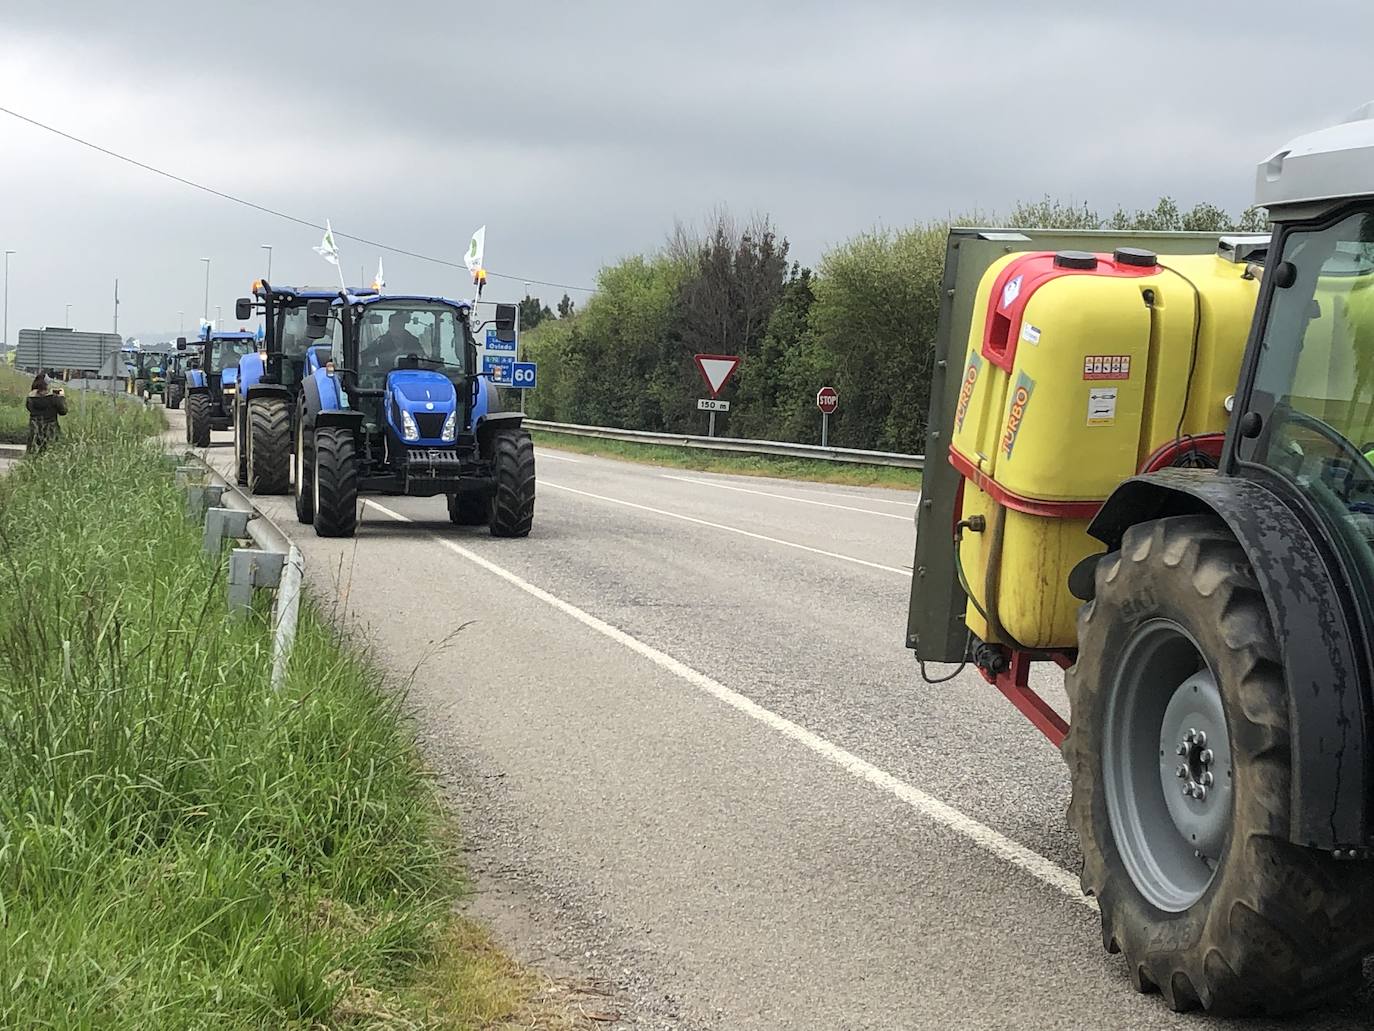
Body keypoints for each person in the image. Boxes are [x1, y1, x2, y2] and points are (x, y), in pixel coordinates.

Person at [26, 373, 68, 451]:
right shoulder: (54, 399)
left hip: (35, 430)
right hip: (51, 430)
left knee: (34, 452)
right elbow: (63, 411)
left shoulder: (30, 399)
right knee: (51, 450)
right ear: (47, 385)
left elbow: (29, 408)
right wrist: (61, 397)